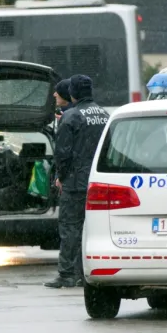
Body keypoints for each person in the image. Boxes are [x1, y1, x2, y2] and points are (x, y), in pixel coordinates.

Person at [45, 74, 109, 289]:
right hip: (98, 182)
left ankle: (66, 275)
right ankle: (84, 274)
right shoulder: (103, 114)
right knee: (89, 229)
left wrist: (60, 178)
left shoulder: (71, 117)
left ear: (72, 93)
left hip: (74, 182)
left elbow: (63, 154)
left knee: (70, 228)